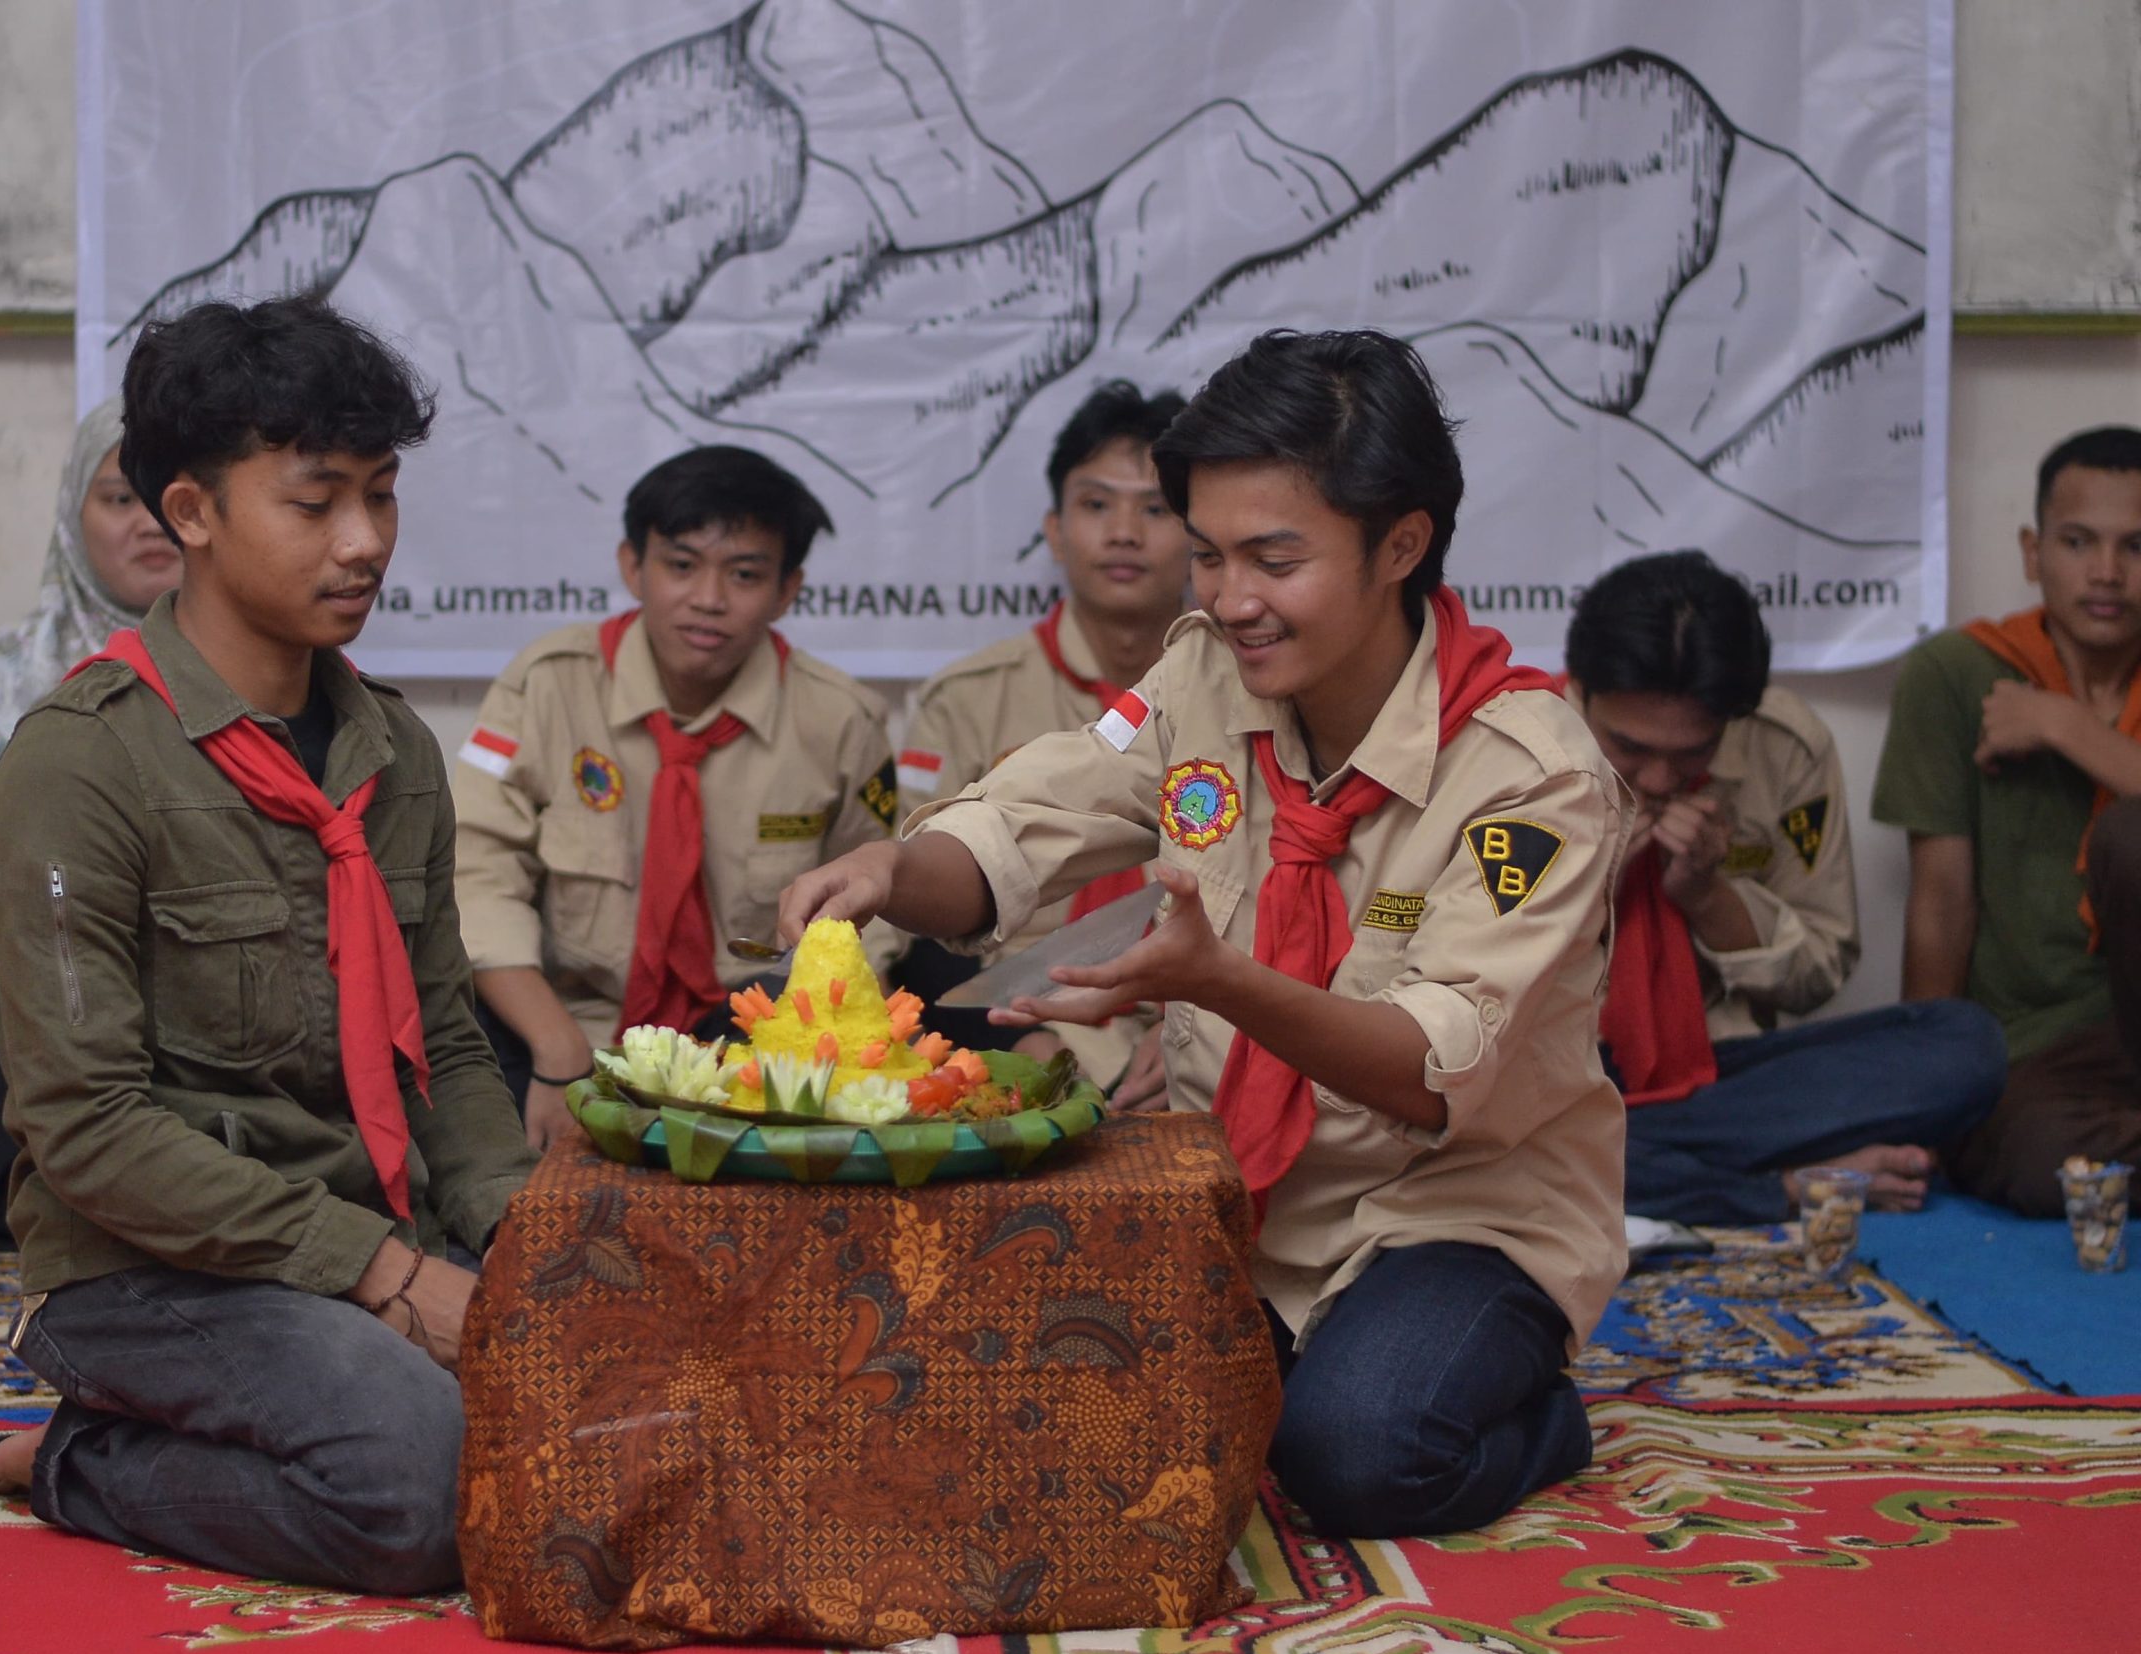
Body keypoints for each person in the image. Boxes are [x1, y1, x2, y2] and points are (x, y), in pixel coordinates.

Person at [778, 330, 1626, 1539]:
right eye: (1210, 557)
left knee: (1354, 1456)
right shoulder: (1203, 679)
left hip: (1451, 1208)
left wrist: (1225, 985)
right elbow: (1035, 815)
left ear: (1401, 544)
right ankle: (1273, 1362)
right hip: (1226, 1194)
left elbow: (1439, 1065)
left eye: (1274, 560)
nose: (1230, 601)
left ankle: (1541, 1414)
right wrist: (890, 869)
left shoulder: (1530, 777)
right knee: (974, 1386)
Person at [0, 298, 535, 1596]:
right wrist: (389, 1278)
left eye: (382, 496)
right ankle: (85, 1460)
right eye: (316, 500)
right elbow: (89, 1126)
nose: (364, 543)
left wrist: (516, 1245)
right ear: (191, 512)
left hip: (361, 1223)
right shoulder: (85, 760)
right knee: (419, 1485)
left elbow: (444, 1040)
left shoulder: (394, 753)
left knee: (620, 1403)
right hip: (150, 1266)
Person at [452, 444, 900, 1149]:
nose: (709, 599)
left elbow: (877, 919)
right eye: (682, 566)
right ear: (634, 566)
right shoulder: (546, 685)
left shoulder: (841, 721)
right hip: (571, 1026)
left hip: (761, 1043)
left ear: (788, 590)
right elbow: (475, 878)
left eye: (745, 574)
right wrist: (555, 1051)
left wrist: (780, 1068)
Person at [1564, 552, 2005, 1225]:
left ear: (1732, 717)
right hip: (1563, 1074)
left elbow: (1822, 969)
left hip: (1723, 1077)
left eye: (1690, 754)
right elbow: (1468, 987)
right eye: (1627, 748)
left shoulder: (1786, 747)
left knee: (1964, 1046)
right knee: (1464, 1134)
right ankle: (1786, 1187)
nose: (1656, 779)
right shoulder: (1511, 748)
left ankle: (1626, 1170)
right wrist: (1599, 883)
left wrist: (1710, 899)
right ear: (1582, 694)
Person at [0, 397, 182, 1247]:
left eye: (168, 494)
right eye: (118, 498)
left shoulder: (280, 679)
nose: (148, 522)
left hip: (232, 1015)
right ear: (73, 513)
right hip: (35, 1004)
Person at [894, 380, 1190, 1109]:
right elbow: (911, 922)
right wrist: (1011, 1045)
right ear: (1055, 531)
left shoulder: (1252, 699)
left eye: (1155, 508)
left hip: (1195, 1030)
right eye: (1097, 505)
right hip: (1013, 1028)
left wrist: (1205, 1030)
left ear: (1202, 534)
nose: (1124, 532)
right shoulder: (967, 701)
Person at [1875, 426, 2141, 1215]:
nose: (2107, 573)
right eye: (2077, 541)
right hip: (2039, 1048)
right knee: (2044, 1167)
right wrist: (1929, 1083)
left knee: (2133, 836)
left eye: (2136, 546)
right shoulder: (1958, 674)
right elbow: (1942, 898)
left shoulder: (2048, 713)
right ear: (2033, 552)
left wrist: (2066, 729)